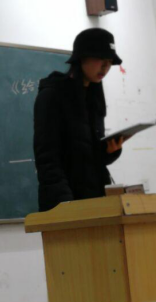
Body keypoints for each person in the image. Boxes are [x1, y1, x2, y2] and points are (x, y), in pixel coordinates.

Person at [34, 28, 126, 212]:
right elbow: (48, 158)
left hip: (97, 200)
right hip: (66, 204)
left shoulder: (93, 96)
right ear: (82, 58)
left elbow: (87, 154)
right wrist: (64, 205)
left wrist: (109, 152)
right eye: (101, 59)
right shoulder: (53, 95)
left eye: (110, 62)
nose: (106, 67)